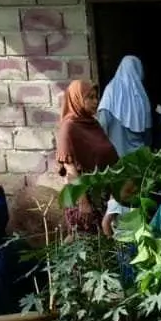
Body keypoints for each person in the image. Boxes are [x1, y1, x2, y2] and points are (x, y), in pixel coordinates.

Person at [56, 79, 119, 236]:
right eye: (89, 97)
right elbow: (70, 169)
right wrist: (84, 202)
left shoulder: (93, 124)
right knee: (87, 244)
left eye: (96, 97)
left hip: (101, 192)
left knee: (104, 244)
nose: (95, 101)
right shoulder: (69, 127)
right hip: (83, 196)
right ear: (77, 99)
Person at [98, 55, 153, 158]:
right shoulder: (142, 95)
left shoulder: (111, 90)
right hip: (139, 156)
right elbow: (148, 131)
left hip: (117, 154)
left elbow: (103, 122)